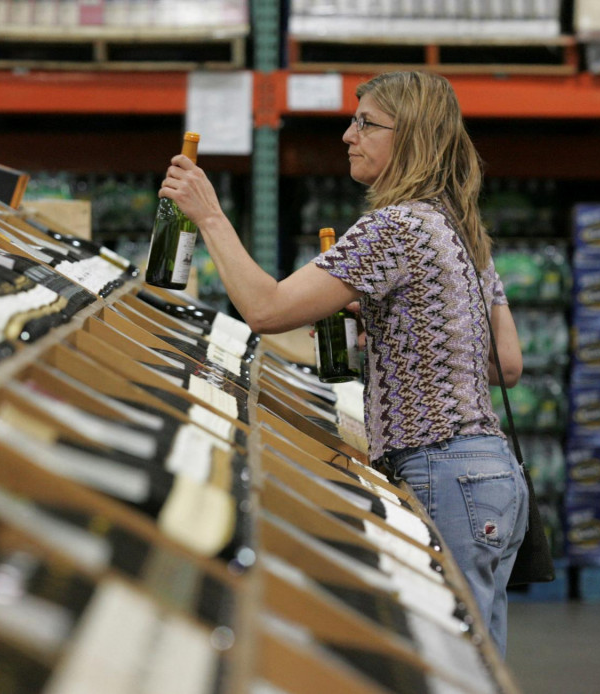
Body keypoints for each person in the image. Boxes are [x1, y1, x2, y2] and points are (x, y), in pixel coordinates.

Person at [158, 70, 529, 656]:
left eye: (366, 123)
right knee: (475, 663)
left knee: (447, 666)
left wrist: (208, 214)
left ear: (410, 139)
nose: (347, 135)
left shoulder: (395, 226)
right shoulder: (456, 226)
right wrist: (405, 330)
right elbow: (506, 363)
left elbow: (265, 308)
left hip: (442, 472)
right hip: (487, 474)